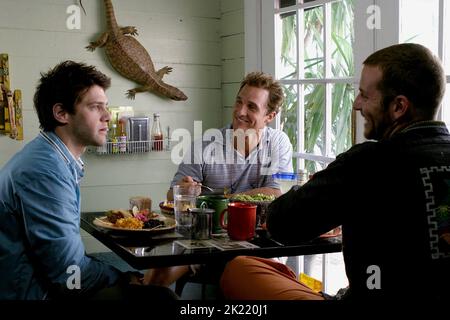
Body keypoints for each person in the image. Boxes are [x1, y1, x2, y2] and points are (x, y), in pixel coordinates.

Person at [220, 43, 450, 301]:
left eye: (365, 95)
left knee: (240, 269)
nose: (356, 104)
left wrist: (316, 187)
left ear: (398, 107)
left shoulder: (368, 162)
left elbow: (282, 224)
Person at [0, 61, 177, 300]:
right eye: (95, 107)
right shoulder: (45, 171)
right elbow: (68, 273)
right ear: (61, 113)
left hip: (39, 282)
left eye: (105, 107)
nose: (107, 116)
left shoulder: (49, 156)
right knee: (162, 299)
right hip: (32, 292)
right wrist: (121, 277)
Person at [144, 71, 294, 287]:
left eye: (252, 107)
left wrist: (222, 199)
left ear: (269, 116)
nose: (240, 112)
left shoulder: (278, 143)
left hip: (259, 242)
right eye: (239, 102)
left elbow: (275, 192)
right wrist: (185, 190)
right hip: (205, 239)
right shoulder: (205, 145)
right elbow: (172, 195)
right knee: (157, 277)